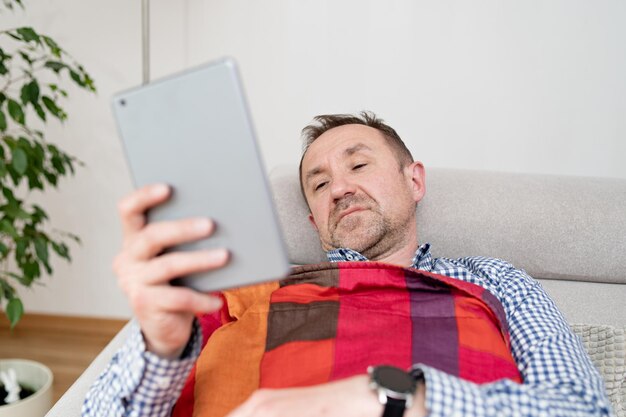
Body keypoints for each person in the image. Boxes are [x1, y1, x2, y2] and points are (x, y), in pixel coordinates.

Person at [83, 112, 613, 417]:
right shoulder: (239, 288)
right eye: (318, 184)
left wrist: (387, 398)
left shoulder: (496, 281)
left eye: (359, 164)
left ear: (414, 181)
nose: (339, 187)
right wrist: (159, 349)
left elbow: (582, 410)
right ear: (313, 220)